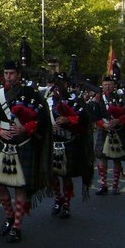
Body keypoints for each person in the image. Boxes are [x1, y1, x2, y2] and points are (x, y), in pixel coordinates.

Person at [0, 61, 52, 243]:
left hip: (24, 141)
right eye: (6, 73)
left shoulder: (32, 93)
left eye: (12, 73)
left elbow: (43, 118)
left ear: (19, 75)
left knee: (20, 187)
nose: (8, 76)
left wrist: (26, 128)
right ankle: (9, 216)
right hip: (5, 141)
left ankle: (17, 226)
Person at [44, 73, 93, 219]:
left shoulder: (75, 99)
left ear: (66, 84)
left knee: (66, 175)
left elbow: (84, 120)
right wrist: (48, 127)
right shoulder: (46, 101)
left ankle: (66, 204)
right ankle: (58, 199)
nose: (55, 87)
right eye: (52, 83)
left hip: (68, 142)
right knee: (52, 175)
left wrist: (69, 120)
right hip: (52, 142)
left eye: (60, 83)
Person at [89, 76, 125, 195]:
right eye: (105, 84)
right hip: (104, 129)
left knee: (117, 158)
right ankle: (103, 184)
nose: (108, 87)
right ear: (102, 85)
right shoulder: (98, 98)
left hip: (118, 130)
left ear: (114, 85)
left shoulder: (121, 96)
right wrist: (103, 124)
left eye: (110, 84)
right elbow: (94, 115)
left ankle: (115, 185)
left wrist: (118, 121)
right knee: (102, 157)